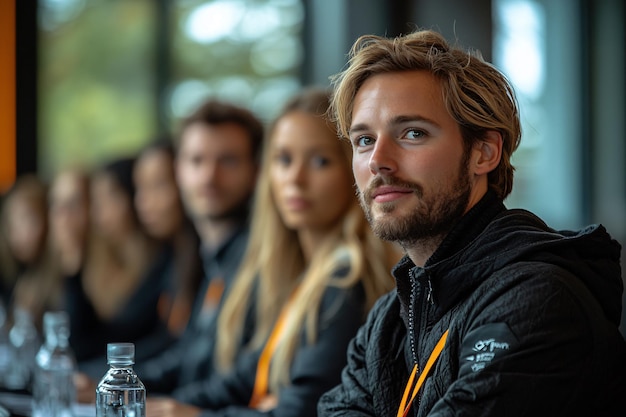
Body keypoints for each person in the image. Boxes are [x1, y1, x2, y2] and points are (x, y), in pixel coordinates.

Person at [317, 29, 626, 417]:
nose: (378, 160)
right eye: (363, 140)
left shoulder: (536, 300)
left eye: (413, 133)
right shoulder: (390, 318)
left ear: (484, 152)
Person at [146, 88, 400, 417]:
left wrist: (189, 414)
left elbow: (303, 411)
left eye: (320, 161)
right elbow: (242, 379)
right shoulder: (307, 274)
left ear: (353, 169)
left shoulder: (346, 278)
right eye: (283, 160)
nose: (295, 178)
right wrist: (154, 405)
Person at [75, 99, 264, 402]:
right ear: (179, 170)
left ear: (255, 171)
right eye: (196, 160)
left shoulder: (259, 260)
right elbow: (185, 356)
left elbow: (242, 380)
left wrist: (173, 406)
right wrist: (111, 384)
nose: (209, 176)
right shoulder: (212, 258)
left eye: (228, 161)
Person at [133, 138, 203, 336]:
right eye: (140, 187)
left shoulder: (208, 261)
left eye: (158, 185)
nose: (143, 202)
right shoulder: (169, 257)